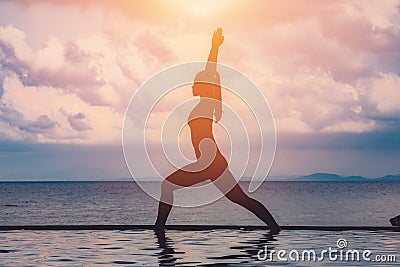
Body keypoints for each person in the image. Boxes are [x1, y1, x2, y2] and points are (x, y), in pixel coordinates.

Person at [155, 28, 281, 234]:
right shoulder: (204, 106)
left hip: (208, 162)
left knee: (167, 185)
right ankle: (275, 228)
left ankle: (159, 230)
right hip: (214, 163)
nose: (193, 86)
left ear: (205, 86)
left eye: (196, 83)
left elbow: (210, 73)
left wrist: (214, 48)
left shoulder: (206, 104)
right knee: (240, 199)